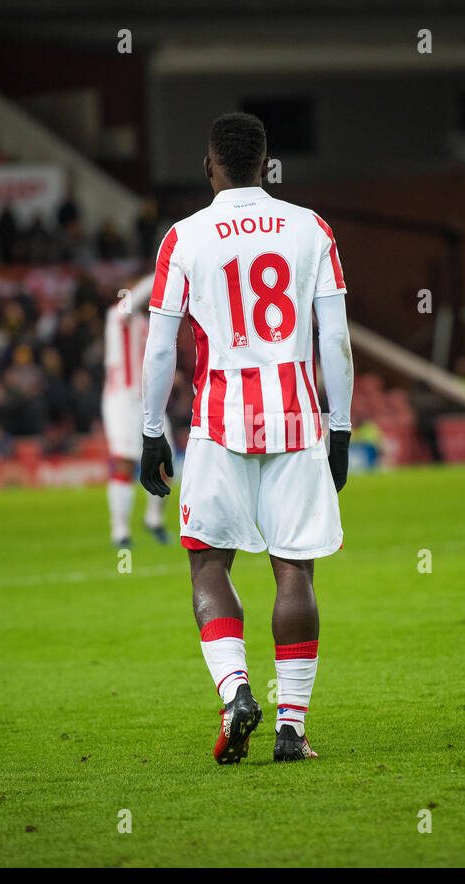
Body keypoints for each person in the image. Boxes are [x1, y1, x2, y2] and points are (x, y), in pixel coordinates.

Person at [139, 112, 353, 765]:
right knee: (295, 571)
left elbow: (158, 350)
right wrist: (339, 426)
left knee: (208, 564)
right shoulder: (310, 228)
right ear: (267, 164)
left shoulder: (184, 237)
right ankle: (292, 729)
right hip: (295, 419)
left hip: (219, 419)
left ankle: (236, 693)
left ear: (210, 166)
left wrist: (151, 432)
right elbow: (334, 341)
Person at [101, 274, 168, 547]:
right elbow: (138, 296)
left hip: (148, 400)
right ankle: (120, 531)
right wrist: (164, 268)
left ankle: (154, 520)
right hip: (121, 399)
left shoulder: (147, 323)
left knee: (163, 462)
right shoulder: (116, 316)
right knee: (124, 462)